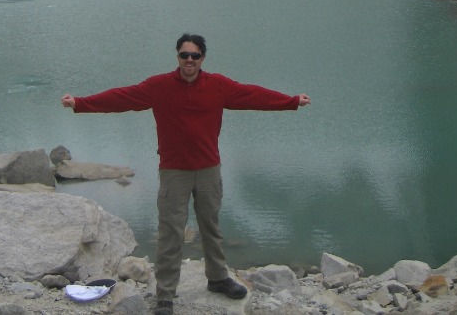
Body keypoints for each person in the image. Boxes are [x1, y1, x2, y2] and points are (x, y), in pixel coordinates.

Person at [61, 32, 311, 315]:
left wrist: (291, 101)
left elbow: (253, 95)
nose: (189, 60)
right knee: (170, 233)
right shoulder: (159, 86)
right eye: (184, 55)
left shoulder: (218, 85)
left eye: (194, 55)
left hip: (208, 170)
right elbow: (122, 97)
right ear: (177, 57)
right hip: (174, 172)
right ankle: (165, 295)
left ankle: (217, 279)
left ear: (202, 58)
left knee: (211, 228)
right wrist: (80, 103)